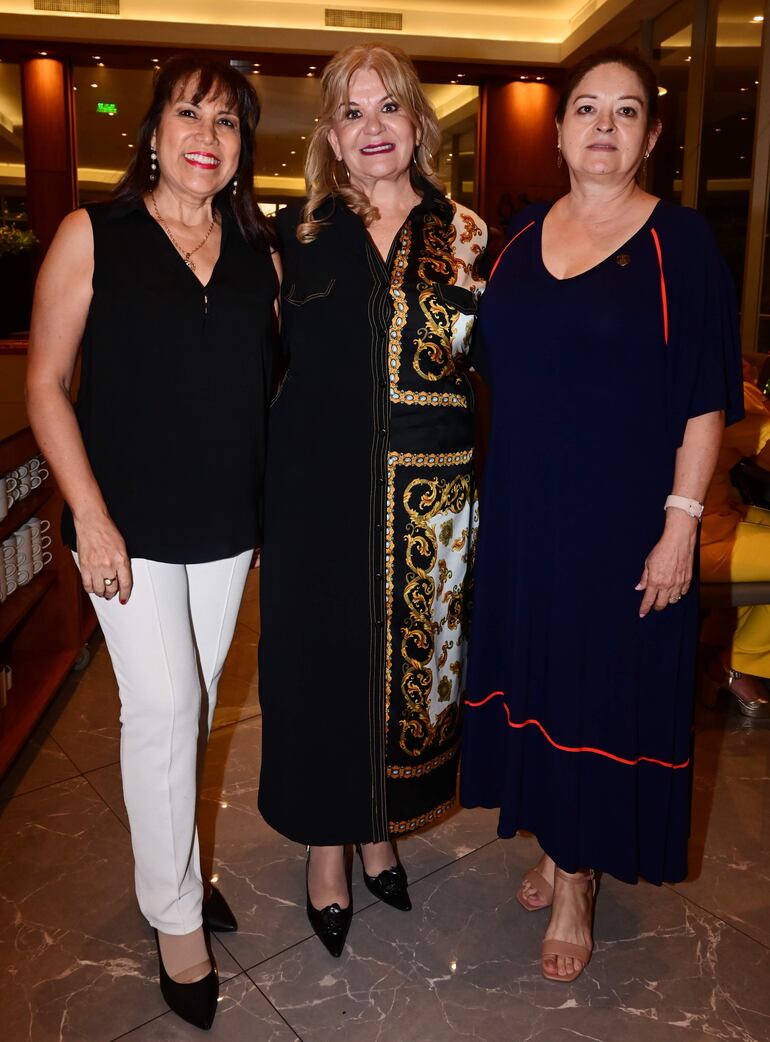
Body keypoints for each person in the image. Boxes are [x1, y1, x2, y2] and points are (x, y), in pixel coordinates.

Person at [460, 47, 743, 984]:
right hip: (525, 510)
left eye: (627, 112)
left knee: (596, 690)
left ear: (652, 135)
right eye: (588, 108)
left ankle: (578, 880)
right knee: (541, 682)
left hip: (623, 519)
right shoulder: (518, 238)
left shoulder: (680, 242)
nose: (605, 127)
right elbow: (491, 361)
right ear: (560, 128)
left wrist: (681, 520)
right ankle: (554, 840)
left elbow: (706, 398)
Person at [25, 56, 278, 1030]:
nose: (205, 135)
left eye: (226, 123)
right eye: (188, 114)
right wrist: (89, 515)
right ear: (154, 130)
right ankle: (175, 914)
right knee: (163, 704)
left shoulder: (258, 249)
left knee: (195, 702)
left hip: (223, 526)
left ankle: (179, 865)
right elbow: (47, 381)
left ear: (241, 149)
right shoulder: (94, 233)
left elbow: (278, 382)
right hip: (121, 525)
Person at [258, 42, 487, 957]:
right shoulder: (294, 234)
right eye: (351, 113)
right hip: (314, 488)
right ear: (331, 135)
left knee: (405, 679)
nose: (372, 127)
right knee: (319, 667)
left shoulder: (466, 234)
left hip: (430, 497)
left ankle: (379, 824)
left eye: (387, 107)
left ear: (417, 122)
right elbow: (249, 367)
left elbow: (500, 370)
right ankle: (327, 843)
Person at [700, 362, 770, 718]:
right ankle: (733, 663)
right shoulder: (736, 396)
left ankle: (716, 643)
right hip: (698, 539)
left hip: (696, 522)